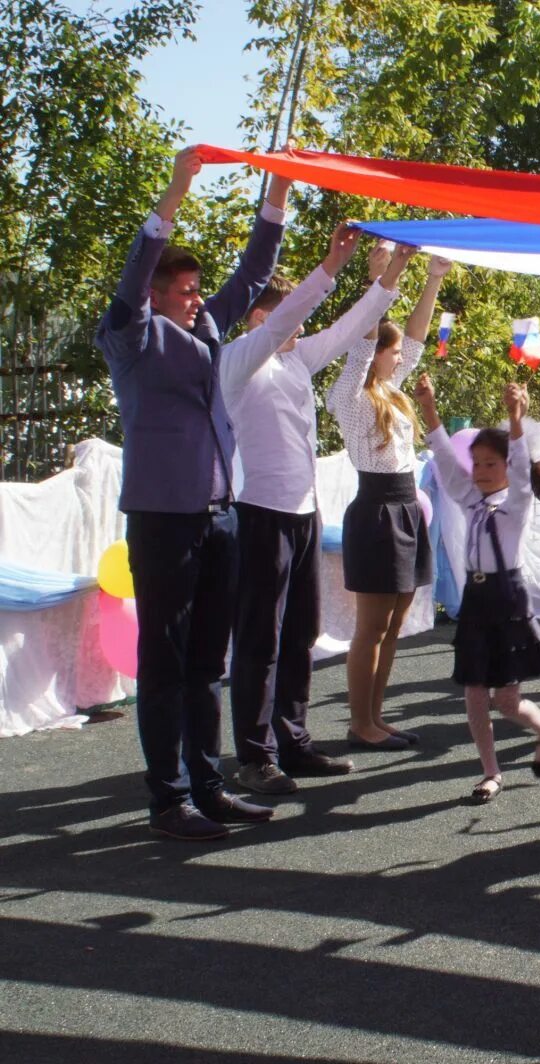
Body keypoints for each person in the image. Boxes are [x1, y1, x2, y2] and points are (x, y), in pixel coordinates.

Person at [95, 146, 288, 840]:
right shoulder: (132, 340)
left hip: (217, 519)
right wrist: (177, 189)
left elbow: (256, 272)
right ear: (153, 296)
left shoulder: (208, 333)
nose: (194, 296)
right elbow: (138, 265)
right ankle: (168, 797)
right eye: (181, 289)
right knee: (167, 665)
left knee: (210, 665)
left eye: (195, 288)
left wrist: (280, 190)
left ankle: (210, 787)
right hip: (163, 521)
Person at [220, 228, 413, 797]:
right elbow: (294, 316)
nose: (299, 327)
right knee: (259, 638)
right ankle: (256, 756)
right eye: (285, 317)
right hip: (259, 512)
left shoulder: (297, 361)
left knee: (300, 631)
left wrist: (389, 275)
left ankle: (293, 740)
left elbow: (352, 330)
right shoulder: (239, 361)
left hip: (303, 513)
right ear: (258, 318)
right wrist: (333, 263)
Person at [328, 247, 451, 749]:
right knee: (372, 627)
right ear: (374, 353)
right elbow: (363, 342)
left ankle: (375, 719)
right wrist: (381, 275)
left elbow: (417, 339)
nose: (402, 357)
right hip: (377, 509)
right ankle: (361, 723)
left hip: (404, 508)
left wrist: (433, 280)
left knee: (394, 626)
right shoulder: (351, 396)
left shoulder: (391, 390)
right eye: (392, 350)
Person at [418, 376, 540, 801]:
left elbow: (520, 471)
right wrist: (429, 409)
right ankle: (490, 772)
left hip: (508, 599)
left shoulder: (516, 503)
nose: (479, 471)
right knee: (475, 692)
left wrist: (516, 421)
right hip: (477, 601)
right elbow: (445, 459)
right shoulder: (469, 498)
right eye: (476, 463)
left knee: (506, 699)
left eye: (489, 464)